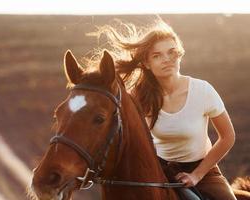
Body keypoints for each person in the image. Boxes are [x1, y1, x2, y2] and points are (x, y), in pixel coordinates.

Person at [92, 19, 237, 199]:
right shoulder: (139, 96)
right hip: (157, 168)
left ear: (180, 55)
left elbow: (228, 137)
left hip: (203, 170)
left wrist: (197, 175)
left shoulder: (203, 90)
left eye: (171, 52)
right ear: (146, 63)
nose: (166, 59)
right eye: (157, 55)